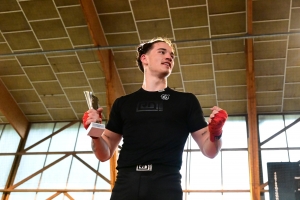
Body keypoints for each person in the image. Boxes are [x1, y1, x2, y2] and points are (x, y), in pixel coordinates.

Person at [82, 37, 228, 200]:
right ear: (144, 58)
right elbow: (104, 154)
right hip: (126, 183)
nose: (169, 57)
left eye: (172, 55)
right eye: (162, 52)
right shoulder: (123, 103)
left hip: (166, 183)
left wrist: (216, 132)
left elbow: (210, 151)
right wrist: (94, 132)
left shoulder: (185, 101)